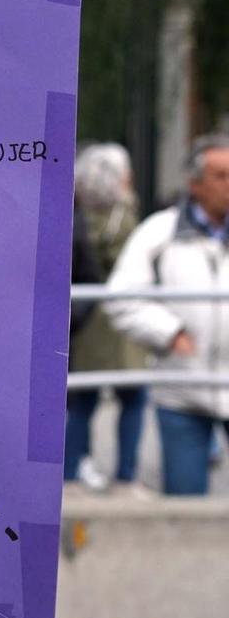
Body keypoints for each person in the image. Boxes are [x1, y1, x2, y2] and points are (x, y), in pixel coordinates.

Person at [105, 133, 229, 494]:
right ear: (195, 184)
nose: (228, 185)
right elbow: (122, 297)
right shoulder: (158, 233)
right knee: (185, 509)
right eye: (220, 176)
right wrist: (169, 332)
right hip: (182, 392)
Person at [65, 144, 151, 492]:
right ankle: (126, 475)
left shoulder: (78, 215)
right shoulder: (126, 218)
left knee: (83, 400)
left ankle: (72, 471)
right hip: (121, 319)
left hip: (86, 322)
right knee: (133, 398)